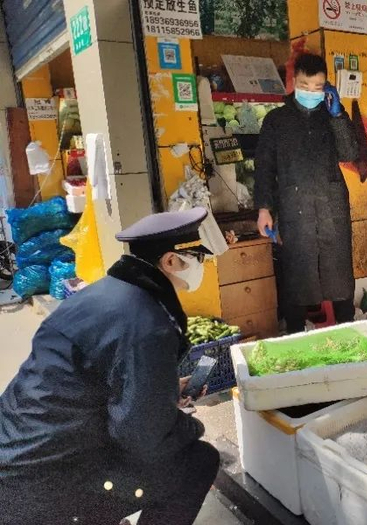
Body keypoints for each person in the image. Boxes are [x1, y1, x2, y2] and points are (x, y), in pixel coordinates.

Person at [0, 208, 220, 525]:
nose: (204, 265)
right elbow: (144, 439)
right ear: (171, 261)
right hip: (45, 488)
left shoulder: (100, 294)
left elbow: (88, 382)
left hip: (16, 461)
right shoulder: (148, 324)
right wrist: (188, 425)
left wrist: (162, 391)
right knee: (198, 461)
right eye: (199, 257)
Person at [255, 53, 359, 333]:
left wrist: (338, 116)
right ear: (294, 82)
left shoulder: (331, 116)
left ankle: (349, 333)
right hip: (294, 208)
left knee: (339, 274)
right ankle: (295, 334)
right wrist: (264, 208)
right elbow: (264, 167)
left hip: (331, 208)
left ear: (326, 86)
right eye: (305, 85)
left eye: (318, 87)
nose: (311, 92)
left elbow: (350, 153)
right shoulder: (276, 121)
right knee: (296, 275)